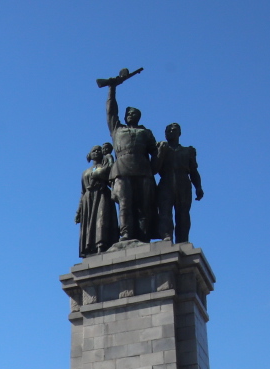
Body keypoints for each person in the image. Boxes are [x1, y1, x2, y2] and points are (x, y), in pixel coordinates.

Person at [104, 75, 157, 243]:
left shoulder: (145, 133)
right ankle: (125, 233)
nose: (130, 115)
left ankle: (143, 235)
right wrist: (112, 89)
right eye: (128, 113)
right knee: (125, 204)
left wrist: (153, 169)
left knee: (143, 206)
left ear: (138, 117)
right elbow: (111, 111)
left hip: (142, 169)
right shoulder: (117, 129)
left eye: (134, 113)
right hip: (122, 169)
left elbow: (155, 152)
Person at [154, 122, 203, 244]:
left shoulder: (188, 151)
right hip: (166, 181)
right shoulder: (161, 149)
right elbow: (154, 169)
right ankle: (166, 236)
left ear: (179, 133)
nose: (171, 132)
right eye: (168, 131)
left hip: (183, 183)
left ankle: (183, 240)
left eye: (174, 130)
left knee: (183, 214)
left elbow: (193, 171)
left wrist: (198, 187)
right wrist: (160, 153)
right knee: (165, 212)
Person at [76, 143, 119, 256]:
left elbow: (111, 176)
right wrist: (78, 211)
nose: (97, 152)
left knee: (102, 218)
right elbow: (82, 192)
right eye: (94, 150)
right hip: (88, 199)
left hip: (102, 194)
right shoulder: (85, 172)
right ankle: (90, 248)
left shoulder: (105, 167)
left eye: (99, 150)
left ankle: (102, 245)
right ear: (89, 155)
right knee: (90, 223)